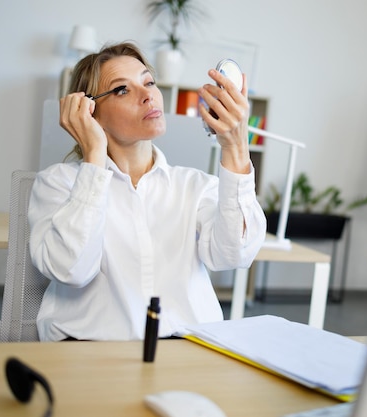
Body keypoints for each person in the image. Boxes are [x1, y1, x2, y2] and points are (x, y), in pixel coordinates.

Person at [28, 41, 266, 341]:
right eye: (122, 89)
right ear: (91, 112)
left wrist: (236, 147)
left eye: (149, 82)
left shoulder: (196, 187)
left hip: (187, 354)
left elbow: (234, 254)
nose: (147, 95)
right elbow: (71, 269)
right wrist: (95, 157)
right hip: (90, 356)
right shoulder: (57, 184)